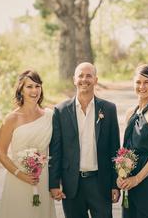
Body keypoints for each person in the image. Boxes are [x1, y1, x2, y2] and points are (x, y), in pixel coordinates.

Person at [49, 62, 121, 218]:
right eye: (80, 75)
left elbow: (114, 148)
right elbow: (56, 150)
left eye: (89, 75)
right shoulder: (60, 111)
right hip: (72, 185)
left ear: (95, 79)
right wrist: (54, 183)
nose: (84, 79)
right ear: (74, 79)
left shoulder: (108, 109)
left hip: (100, 183)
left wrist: (115, 184)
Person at [0, 70, 56, 218]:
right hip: (18, 179)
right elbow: (0, 153)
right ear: (21, 90)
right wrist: (20, 174)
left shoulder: (50, 116)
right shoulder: (11, 118)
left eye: (37, 86)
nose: (34, 90)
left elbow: (57, 150)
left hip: (42, 179)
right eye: (29, 86)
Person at [117, 64, 148, 218]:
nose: (141, 86)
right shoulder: (130, 112)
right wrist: (121, 174)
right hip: (130, 179)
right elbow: (126, 150)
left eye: (146, 82)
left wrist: (137, 179)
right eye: (138, 82)